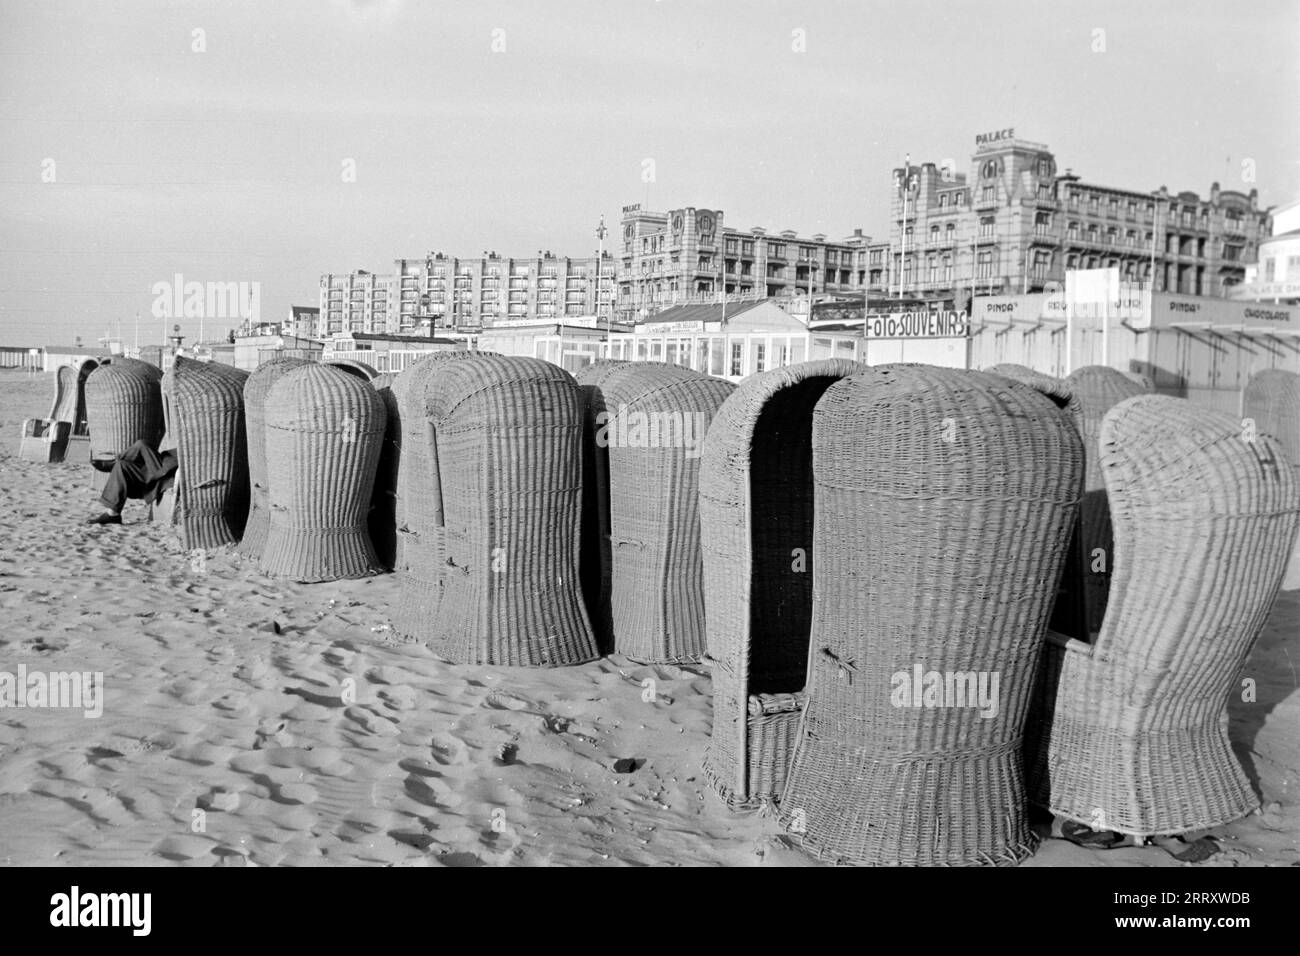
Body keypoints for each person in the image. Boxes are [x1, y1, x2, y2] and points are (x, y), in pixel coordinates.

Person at [85, 438, 177, 526]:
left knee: (142, 443)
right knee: (121, 465)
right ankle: (113, 515)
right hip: (158, 468)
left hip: (165, 472)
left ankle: (114, 462)